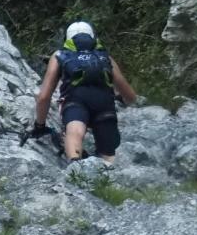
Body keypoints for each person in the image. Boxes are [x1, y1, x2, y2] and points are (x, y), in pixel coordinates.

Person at [30, 21, 137, 164]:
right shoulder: (105, 57)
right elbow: (130, 96)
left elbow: (43, 97)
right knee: (108, 153)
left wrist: (40, 125)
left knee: (75, 132)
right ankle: (110, 178)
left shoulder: (60, 55)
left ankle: (76, 167)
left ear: (68, 39)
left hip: (76, 101)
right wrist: (123, 100)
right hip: (105, 104)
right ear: (93, 37)